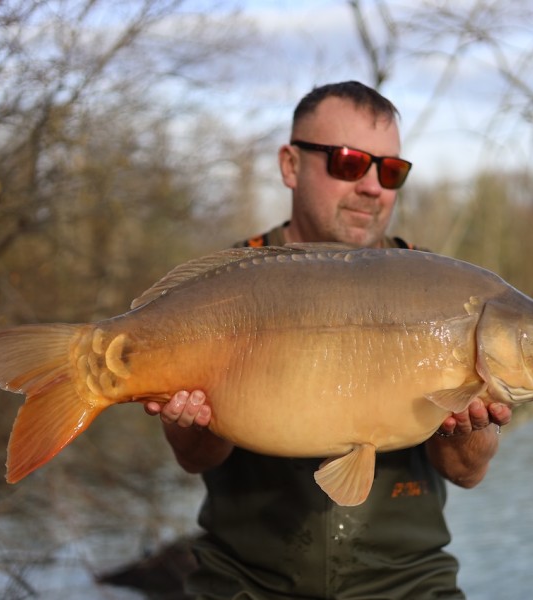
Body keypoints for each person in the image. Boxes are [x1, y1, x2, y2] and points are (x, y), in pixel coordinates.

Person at [144, 81, 513, 599]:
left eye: (390, 171)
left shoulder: (440, 288)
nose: (372, 187)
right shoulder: (228, 282)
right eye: (349, 163)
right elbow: (195, 459)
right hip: (246, 584)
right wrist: (194, 422)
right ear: (291, 165)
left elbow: (467, 472)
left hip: (406, 584)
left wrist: (467, 427)